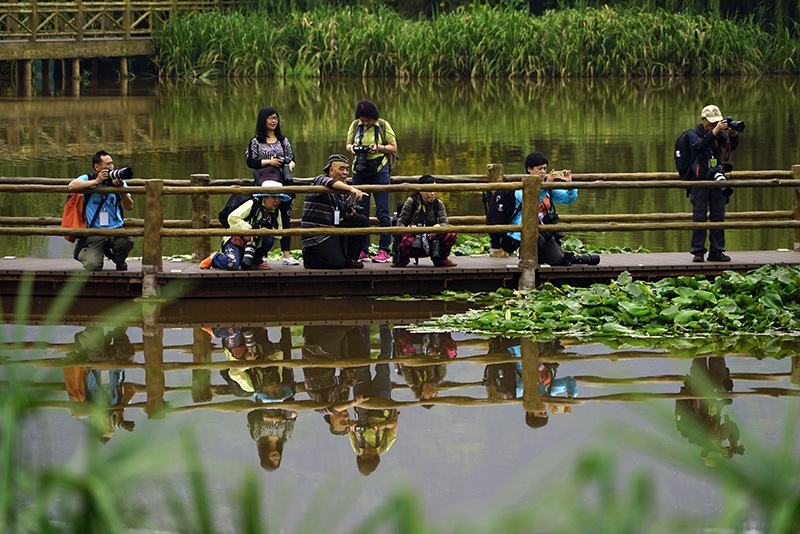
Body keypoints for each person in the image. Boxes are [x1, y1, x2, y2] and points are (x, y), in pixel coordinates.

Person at [498, 152, 599, 266]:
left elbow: (568, 199)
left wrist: (569, 184)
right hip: (524, 231)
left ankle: (575, 258)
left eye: (545, 168)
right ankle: (528, 260)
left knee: (558, 260)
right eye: (539, 169)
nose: (542, 172)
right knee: (537, 239)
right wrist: (547, 185)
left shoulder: (548, 189)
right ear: (529, 169)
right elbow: (532, 200)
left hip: (545, 230)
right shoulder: (520, 189)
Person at [685, 105, 741, 263]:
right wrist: (715, 131)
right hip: (699, 181)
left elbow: (731, 147)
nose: (713, 125)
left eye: (716, 123)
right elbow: (698, 146)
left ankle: (717, 250)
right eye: (710, 123)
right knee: (699, 217)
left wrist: (733, 134)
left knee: (718, 215)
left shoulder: (718, 134)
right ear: (702, 120)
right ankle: (698, 252)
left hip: (717, 179)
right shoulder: (692, 133)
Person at [245, 106, 300, 266]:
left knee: (286, 216)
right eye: (270, 118)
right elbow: (251, 162)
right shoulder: (255, 141)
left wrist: (289, 166)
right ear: (263, 120)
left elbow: (292, 158)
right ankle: (260, 255)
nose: (274, 121)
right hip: (264, 184)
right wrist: (270, 162)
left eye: (275, 118)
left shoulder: (284, 140)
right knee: (262, 218)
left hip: (283, 182)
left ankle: (286, 255)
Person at [345, 99, 398, 263]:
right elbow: (347, 144)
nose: (365, 122)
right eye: (362, 120)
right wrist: (353, 148)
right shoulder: (355, 126)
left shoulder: (382, 125)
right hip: (359, 171)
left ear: (373, 117)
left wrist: (379, 147)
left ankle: (384, 250)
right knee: (361, 211)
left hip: (380, 170)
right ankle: (363, 250)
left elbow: (394, 147)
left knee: (383, 211)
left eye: (367, 120)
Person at [63, 326, 137, 442]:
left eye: (107, 428)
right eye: (113, 428)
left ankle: (96, 323)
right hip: (115, 362)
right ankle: (119, 325)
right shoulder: (116, 407)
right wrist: (123, 406)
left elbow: (76, 412)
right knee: (126, 353)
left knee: (98, 350)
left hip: (95, 362)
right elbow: (130, 388)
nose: (111, 425)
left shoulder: (86, 411)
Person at [199, 180, 291, 271]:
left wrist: (262, 231)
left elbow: (279, 233)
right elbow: (232, 218)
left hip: (254, 243)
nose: (277, 201)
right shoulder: (252, 204)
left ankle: (256, 261)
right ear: (264, 197)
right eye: (273, 197)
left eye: (279, 197)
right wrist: (249, 230)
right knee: (232, 264)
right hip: (235, 241)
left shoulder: (276, 213)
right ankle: (215, 258)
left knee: (269, 239)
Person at [67, 150, 135, 271]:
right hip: (94, 231)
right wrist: (96, 182)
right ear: (97, 167)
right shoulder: (89, 178)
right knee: (93, 265)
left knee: (127, 241)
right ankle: (83, 253)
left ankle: (119, 260)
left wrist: (121, 189)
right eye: (107, 164)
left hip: (116, 229)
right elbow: (71, 186)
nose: (111, 167)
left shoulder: (119, 181)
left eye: (112, 164)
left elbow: (129, 206)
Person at [301, 154, 370, 269]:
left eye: (347, 169)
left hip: (333, 231)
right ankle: (310, 259)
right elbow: (330, 183)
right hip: (317, 235)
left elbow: (344, 213)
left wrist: (350, 214)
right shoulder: (319, 181)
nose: (345, 172)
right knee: (336, 263)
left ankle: (350, 258)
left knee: (360, 220)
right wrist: (352, 189)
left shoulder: (345, 189)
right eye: (341, 169)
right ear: (331, 171)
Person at [392, 175, 457, 267]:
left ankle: (441, 259)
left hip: (431, 237)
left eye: (434, 190)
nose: (433, 193)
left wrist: (437, 228)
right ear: (421, 191)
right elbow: (400, 222)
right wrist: (408, 230)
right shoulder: (411, 201)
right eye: (429, 190)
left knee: (451, 234)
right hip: (414, 236)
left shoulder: (438, 204)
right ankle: (402, 260)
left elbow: (445, 223)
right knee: (406, 238)